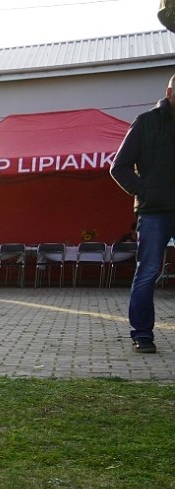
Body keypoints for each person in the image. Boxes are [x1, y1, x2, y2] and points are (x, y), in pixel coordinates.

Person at [109, 73, 175, 354]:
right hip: (154, 212)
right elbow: (119, 166)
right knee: (147, 272)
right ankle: (143, 334)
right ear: (170, 93)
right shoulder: (146, 123)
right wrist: (144, 191)